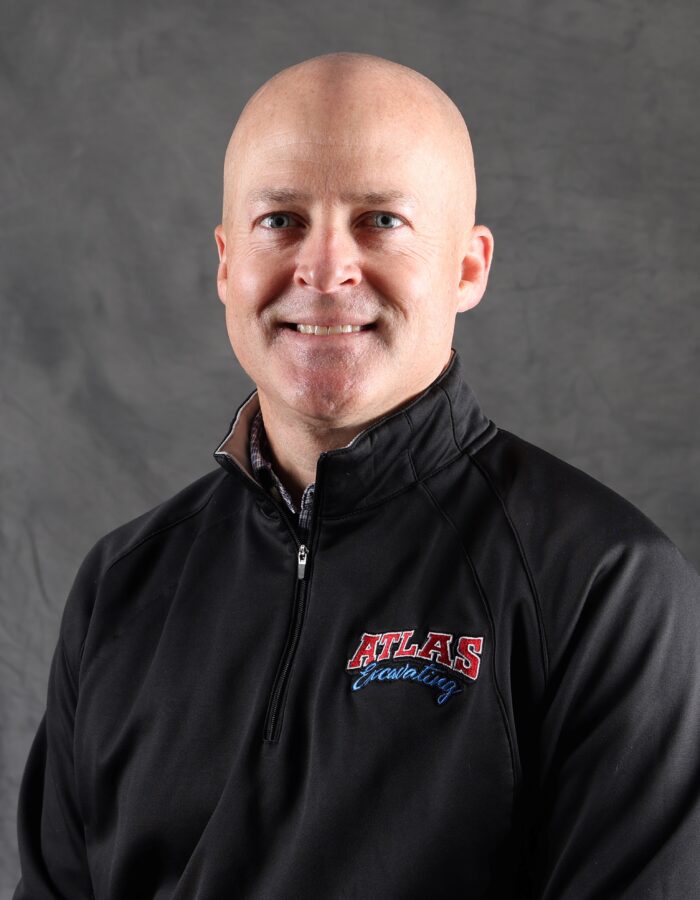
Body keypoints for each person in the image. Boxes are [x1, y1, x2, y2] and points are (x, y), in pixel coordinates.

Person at [13, 51, 700, 900]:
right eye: (281, 220)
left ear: (468, 267)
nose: (325, 269)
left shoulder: (608, 590)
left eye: (379, 220)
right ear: (226, 262)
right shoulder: (122, 587)